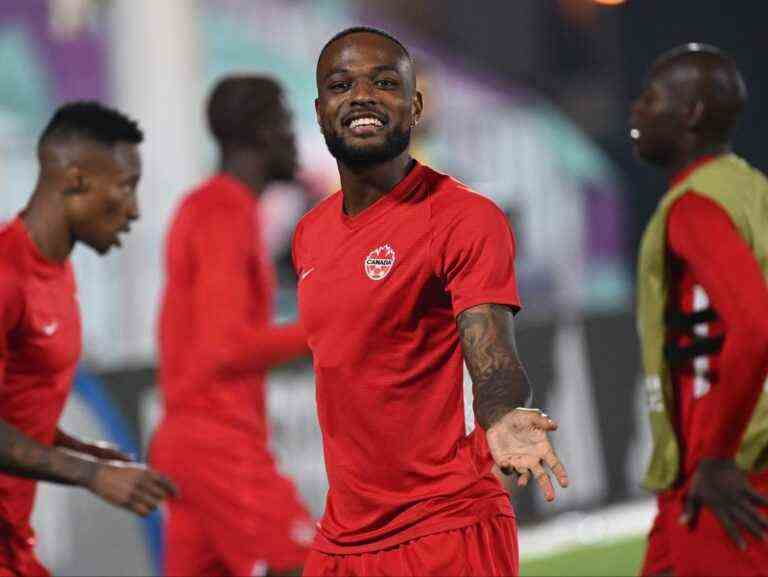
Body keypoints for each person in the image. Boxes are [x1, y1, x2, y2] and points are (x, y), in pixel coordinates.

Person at [291, 27, 569, 577]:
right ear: (321, 111)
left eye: (385, 82)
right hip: (343, 539)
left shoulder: (464, 217)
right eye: (342, 84)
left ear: (415, 105)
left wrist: (501, 413)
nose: (363, 95)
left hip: (444, 529)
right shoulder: (308, 236)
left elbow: (492, 355)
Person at [0, 101, 178, 577]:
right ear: (76, 179)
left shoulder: (57, 273)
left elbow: (14, 407)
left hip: (14, 544)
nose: (135, 209)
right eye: (125, 186)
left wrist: (81, 448)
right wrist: (91, 475)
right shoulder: (5, 273)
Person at [151, 76, 314, 577]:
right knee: (317, 565)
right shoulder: (224, 212)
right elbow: (225, 346)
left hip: (190, 442)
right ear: (261, 134)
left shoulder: (211, 207)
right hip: (215, 444)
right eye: (288, 125)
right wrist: (325, 330)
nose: (296, 142)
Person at [632, 44, 768, 576]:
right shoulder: (753, 189)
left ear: (688, 114)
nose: (635, 110)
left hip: (727, 480)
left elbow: (755, 329)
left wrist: (715, 454)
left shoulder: (695, 205)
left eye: (650, 98)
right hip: (703, 483)